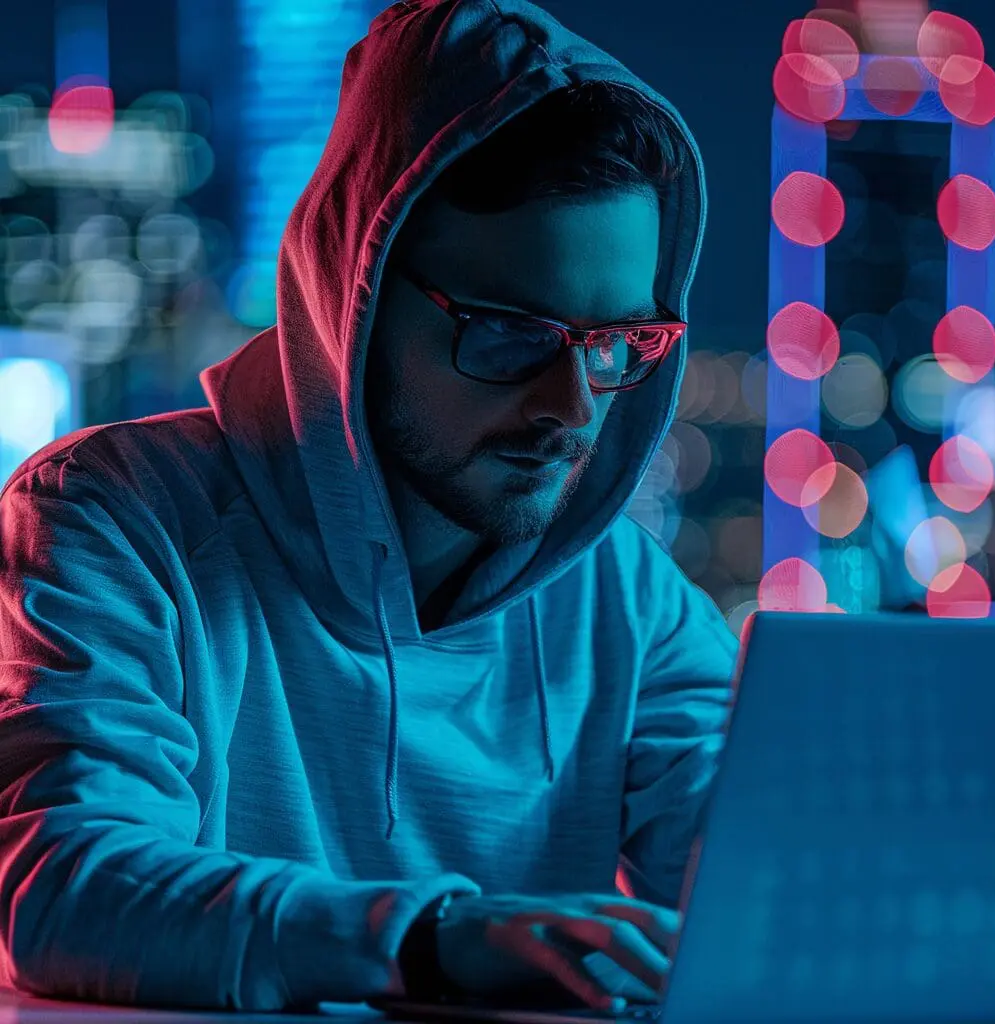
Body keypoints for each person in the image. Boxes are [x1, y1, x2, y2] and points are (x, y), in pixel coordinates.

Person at [0, 0, 738, 1014]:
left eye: (614, 344)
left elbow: (761, 882)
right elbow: (63, 889)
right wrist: (434, 940)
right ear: (350, 302)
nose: (569, 411)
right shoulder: (113, 521)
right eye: (510, 335)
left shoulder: (625, 597)